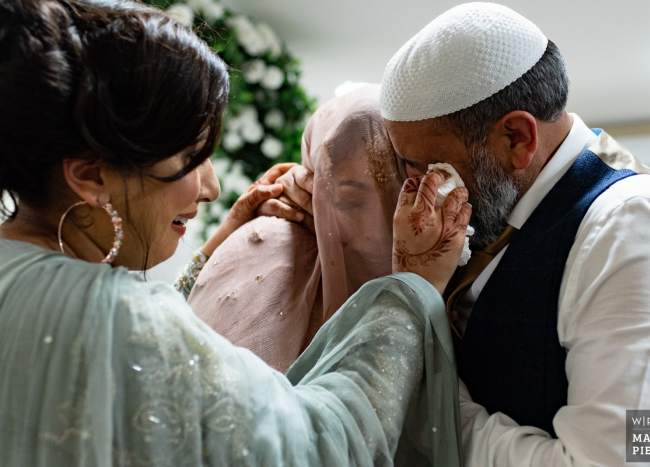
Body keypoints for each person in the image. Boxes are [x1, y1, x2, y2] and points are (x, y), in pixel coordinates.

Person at [0, 1, 472, 465]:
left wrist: (218, 243)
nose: (212, 187)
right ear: (90, 175)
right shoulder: (120, 323)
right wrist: (413, 286)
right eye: (191, 158)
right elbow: (320, 446)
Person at [379, 3, 650, 466]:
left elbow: (643, 459)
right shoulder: (499, 211)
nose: (418, 191)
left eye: (431, 167)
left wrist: (433, 410)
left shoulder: (640, 223)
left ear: (516, 139)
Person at [188, 84, 403, 372]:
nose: (376, 229)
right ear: (314, 183)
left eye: (394, 197)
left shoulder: (436, 259)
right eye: (349, 201)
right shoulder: (269, 247)